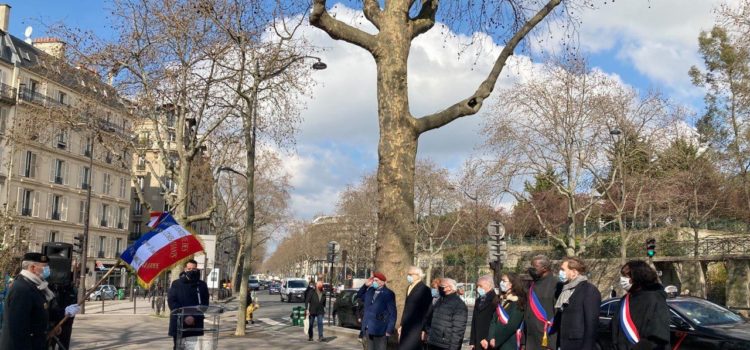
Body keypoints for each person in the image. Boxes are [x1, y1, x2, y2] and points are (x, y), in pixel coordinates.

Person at [0, 252, 79, 350]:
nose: (48, 269)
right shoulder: (21, 289)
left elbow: (37, 317)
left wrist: (63, 314)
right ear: (33, 268)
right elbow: (17, 330)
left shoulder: (34, 286)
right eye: (44, 266)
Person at [611, 260, 670, 350]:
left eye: (626, 276)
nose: (623, 279)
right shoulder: (624, 299)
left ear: (637, 276)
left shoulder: (655, 299)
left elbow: (658, 336)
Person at [554, 257, 601, 350]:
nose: (560, 272)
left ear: (574, 272)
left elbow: (591, 323)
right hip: (565, 343)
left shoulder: (589, 290)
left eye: (563, 269)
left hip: (579, 344)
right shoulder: (566, 290)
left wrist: (587, 347)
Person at [167, 259, 209, 350]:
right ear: (185, 269)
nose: (191, 271)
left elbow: (205, 304)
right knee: (179, 347)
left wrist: (194, 317)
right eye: (189, 269)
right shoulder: (176, 284)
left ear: (197, 269)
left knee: (191, 347)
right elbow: (172, 302)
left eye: (194, 269)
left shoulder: (201, 285)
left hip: (195, 322)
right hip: (179, 321)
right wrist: (185, 317)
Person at [524, 255, 560, 350]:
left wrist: (551, 344)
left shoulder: (556, 284)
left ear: (544, 268)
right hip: (530, 340)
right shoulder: (532, 285)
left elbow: (557, 316)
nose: (531, 269)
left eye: (534, 267)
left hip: (546, 340)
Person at [422, 278, 468, 350]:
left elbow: (458, 331)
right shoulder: (440, 300)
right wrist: (428, 332)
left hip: (445, 345)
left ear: (449, 288)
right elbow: (431, 318)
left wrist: (454, 348)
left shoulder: (459, 305)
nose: (439, 288)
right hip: (433, 342)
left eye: (442, 286)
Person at [357, 272, 397, 350]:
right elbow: (359, 295)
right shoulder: (370, 291)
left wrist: (389, 330)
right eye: (373, 280)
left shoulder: (388, 293)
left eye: (376, 280)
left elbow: (393, 313)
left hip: (381, 329)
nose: (374, 282)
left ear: (382, 282)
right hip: (368, 328)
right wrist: (365, 286)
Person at [487, 273, 526, 350]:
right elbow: (494, 320)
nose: (501, 283)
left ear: (512, 284)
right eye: (501, 280)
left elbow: (511, 326)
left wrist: (497, 340)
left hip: (509, 343)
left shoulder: (518, 302)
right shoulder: (502, 300)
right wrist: (491, 337)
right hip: (495, 342)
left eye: (504, 281)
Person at [398, 266, 432, 350]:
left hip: (416, 327)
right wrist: (401, 324)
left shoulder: (425, 289)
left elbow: (427, 310)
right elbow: (406, 308)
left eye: (410, 274)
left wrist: (425, 329)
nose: (408, 276)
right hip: (406, 325)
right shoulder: (409, 287)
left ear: (418, 275)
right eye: (408, 274)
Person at [469, 275, 498, 350]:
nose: (478, 288)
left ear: (489, 285)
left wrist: (488, 338)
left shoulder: (495, 300)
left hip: (487, 339)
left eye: (480, 286)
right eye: (477, 286)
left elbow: (495, 322)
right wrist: (472, 341)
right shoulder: (478, 300)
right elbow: (474, 321)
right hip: (477, 339)